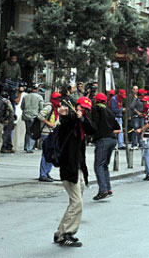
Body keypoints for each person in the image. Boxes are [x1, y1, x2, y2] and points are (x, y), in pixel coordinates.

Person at [54, 95, 97, 247]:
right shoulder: (69, 122)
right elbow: (66, 118)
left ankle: (60, 232)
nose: (82, 111)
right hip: (69, 167)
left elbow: (93, 129)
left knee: (75, 202)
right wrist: (72, 114)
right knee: (77, 202)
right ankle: (66, 234)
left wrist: (82, 118)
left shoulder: (80, 123)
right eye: (80, 108)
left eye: (85, 110)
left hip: (78, 167)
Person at [91, 93, 121, 200]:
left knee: (98, 165)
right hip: (112, 139)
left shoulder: (96, 109)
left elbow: (94, 124)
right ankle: (108, 189)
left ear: (97, 101)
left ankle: (103, 190)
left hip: (103, 140)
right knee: (104, 165)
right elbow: (117, 127)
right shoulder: (109, 112)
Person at [37, 92, 62, 182]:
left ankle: (47, 172)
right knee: (46, 153)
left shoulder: (57, 108)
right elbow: (40, 116)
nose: (59, 101)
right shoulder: (49, 107)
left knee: (51, 153)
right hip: (46, 133)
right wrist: (48, 123)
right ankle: (43, 174)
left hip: (52, 133)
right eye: (57, 99)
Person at [21, 85, 44, 153]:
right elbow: (41, 107)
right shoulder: (39, 97)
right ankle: (29, 148)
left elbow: (22, 106)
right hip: (34, 116)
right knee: (33, 131)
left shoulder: (25, 96)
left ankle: (25, 146)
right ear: (36, 89)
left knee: (27, 131)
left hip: (26, 116)